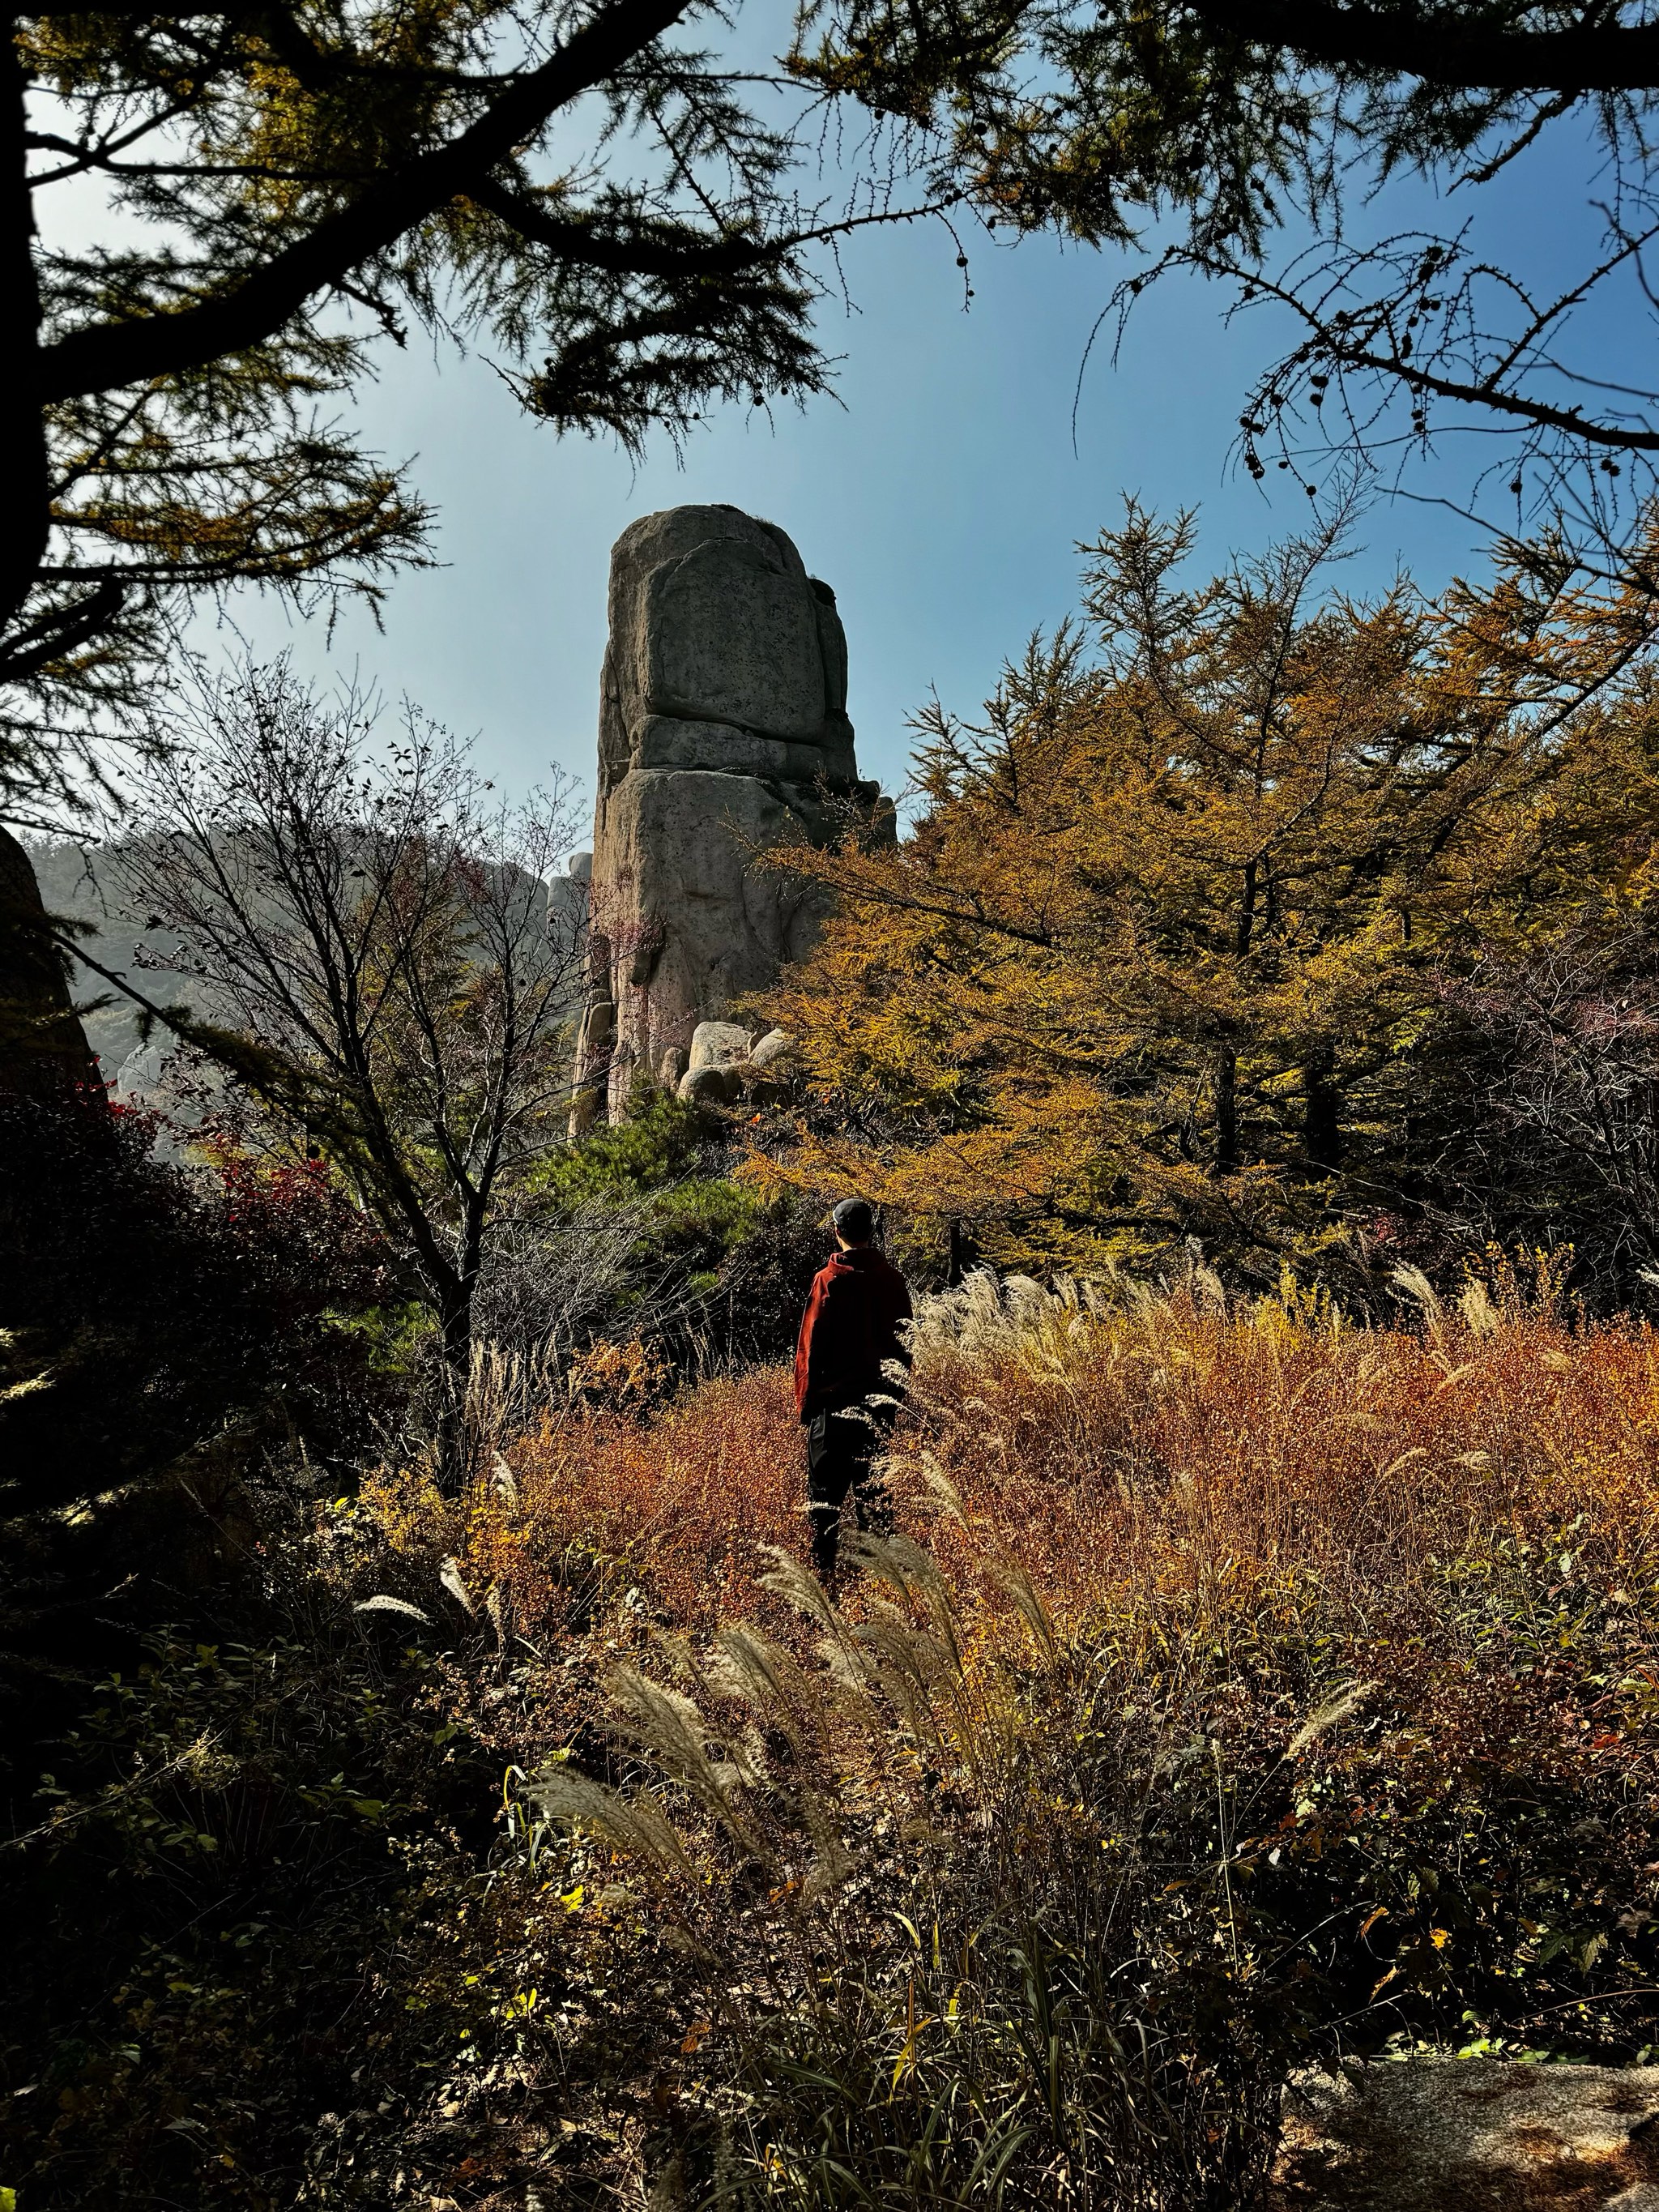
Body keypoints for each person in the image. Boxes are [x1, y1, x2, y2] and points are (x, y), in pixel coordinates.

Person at [794, 1197, 913, 1581]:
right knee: (874, 1506)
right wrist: (892, 1402)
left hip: (832, 1412)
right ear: (870, 1232)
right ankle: (882, 1589)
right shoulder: (893, 1280)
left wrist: (807, 1407)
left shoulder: (827, 1281)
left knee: (824, 1508)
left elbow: (810, 1347)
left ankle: (824, 1591)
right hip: (876, 1411)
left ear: (837, 1232)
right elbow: (905, 1344)